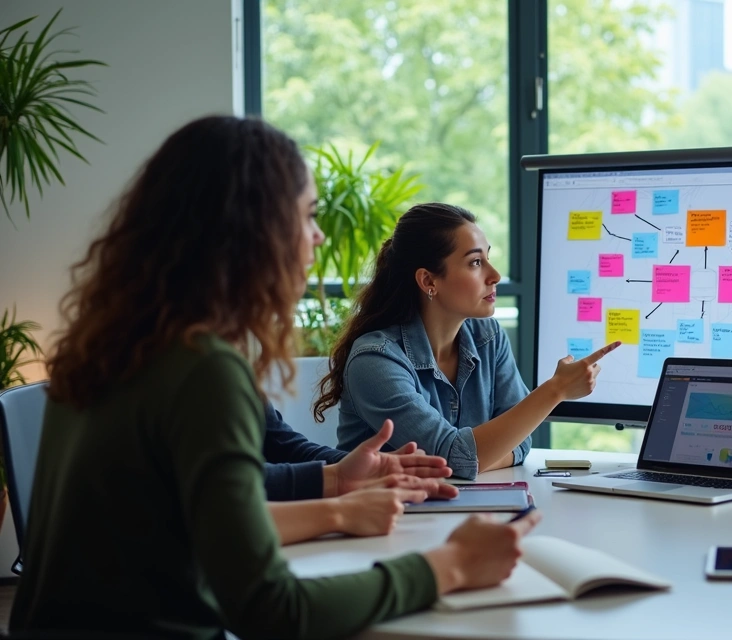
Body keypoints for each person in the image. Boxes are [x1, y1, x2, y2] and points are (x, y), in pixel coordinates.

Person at [12, 116, 540, 638]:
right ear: (250, 231)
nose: (317, 236)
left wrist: (337, 485)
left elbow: (213, 517)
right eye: (306, 216)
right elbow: (273, 611)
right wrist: (448, 566)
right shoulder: (202, 370)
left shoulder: (116, 343)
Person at [315, 203, 619, 478]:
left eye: (488, 257)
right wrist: (556, 390)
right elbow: (453, 456)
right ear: (428, 281)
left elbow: (520, 438)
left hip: (457, 509)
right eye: (475, 262)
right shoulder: (375, 360)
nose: (495, 275)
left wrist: (473, 460)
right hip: (386, 523)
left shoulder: (488, 337)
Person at [262, 404, 459, 544]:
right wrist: (338, 503)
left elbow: (285, 445)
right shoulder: (373, 358)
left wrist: (343, 472)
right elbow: (458, 451)